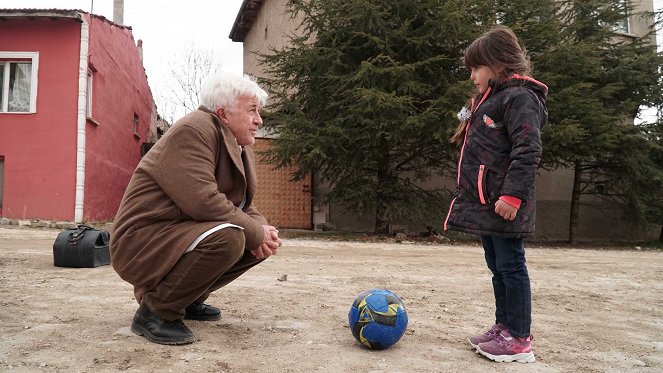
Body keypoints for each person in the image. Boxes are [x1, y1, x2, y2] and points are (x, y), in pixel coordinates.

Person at [110, 72, 282, 345]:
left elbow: (241, 204)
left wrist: (263, 230)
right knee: (231, 238)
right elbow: (203, 201)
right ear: (224, 114)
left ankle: (184, 299)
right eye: (252, 111)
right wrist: (254, 231)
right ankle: (156, 311)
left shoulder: (233, 142)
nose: (259, 120)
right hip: (140, 241)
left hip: (174, 233)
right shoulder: (193, 130)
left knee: (253, 240)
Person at [443, 26, 548, 363]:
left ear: (498, 65)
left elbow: (528, 149)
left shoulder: (520, 98)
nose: (472, 76)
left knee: (512, 266)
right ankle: (504, 326)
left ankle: (519, 339)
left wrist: (512, 197)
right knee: (498, 266)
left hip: (506, 204)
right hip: (489, 204)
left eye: (476, 68)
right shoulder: (490, 100)